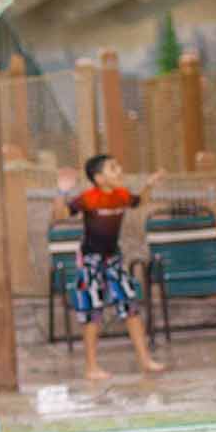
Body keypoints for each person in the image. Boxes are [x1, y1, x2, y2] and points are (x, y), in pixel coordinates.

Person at [54, 154, 166, 380]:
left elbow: (139, 202)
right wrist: (62, 192)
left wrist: (149, 185)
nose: (120, 170)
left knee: (130, 306)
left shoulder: (121, 195)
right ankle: (91, 367)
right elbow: (59, 216)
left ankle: (145, 360)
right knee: (92, 311)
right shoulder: (88, 198)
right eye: (113, 168)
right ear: (99, 177)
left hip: (113, 259)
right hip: (90, 261)